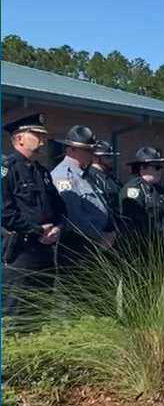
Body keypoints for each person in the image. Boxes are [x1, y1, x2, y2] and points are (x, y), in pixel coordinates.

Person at [1, 113, 65, 318]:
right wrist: (37, 230)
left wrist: (57, 227)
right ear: (19, 138)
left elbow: (59, 208)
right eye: (36, 134)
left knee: (40, 311)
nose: (43, 140)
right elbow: (4, 212)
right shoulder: (7, 170)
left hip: (43, 251)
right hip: (19, 251)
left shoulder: (42, 172)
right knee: (15, 313)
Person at [49, 125, 114, 268]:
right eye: (86, 149)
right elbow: (73, 216)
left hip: (94, 245)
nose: (91, 153)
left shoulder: (84, 174)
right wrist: (100, 236)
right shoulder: (64, 176)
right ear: (71, 149)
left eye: (92, 149)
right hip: (77, 247)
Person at [119, 147, 164, 252]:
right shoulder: (134, 190)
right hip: (141, 249)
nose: (160, 170)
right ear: (143, 168)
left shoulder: (160, 191)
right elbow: (137, 221)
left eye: (161, 167)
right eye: (157, 167)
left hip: (161, 247)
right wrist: (162, 232)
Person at [86, 140, 124, 221]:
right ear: (95, 158)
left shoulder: (112, 179)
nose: (111, 160)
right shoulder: (90, 177)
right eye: (107, 157)